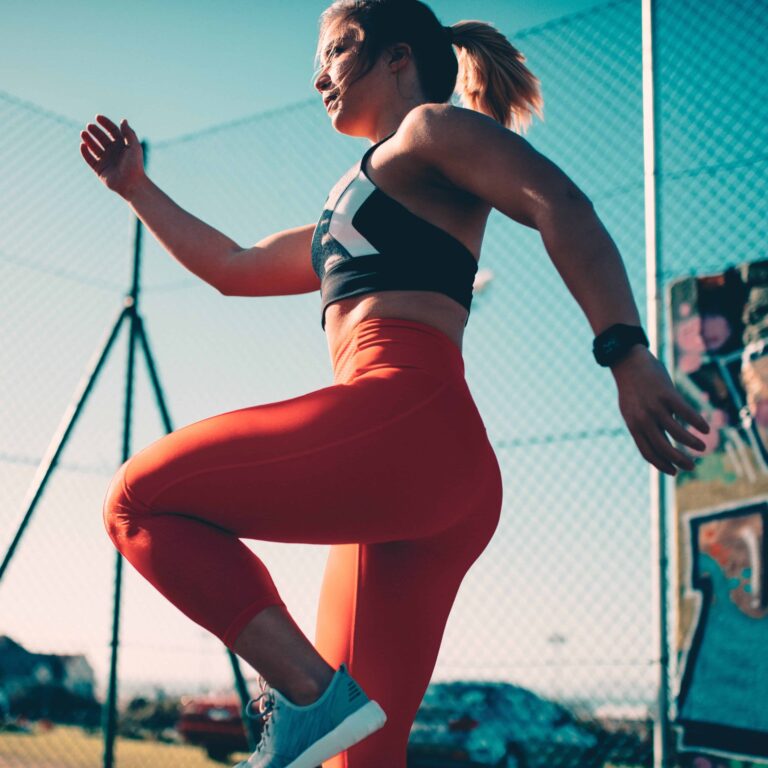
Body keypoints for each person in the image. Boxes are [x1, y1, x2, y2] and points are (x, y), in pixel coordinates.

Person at [81, 1, 711, 766]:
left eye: (335, 52)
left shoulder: (431, 131)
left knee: (137, 500)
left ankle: (309, 696)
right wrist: (135, 189)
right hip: (423, 472)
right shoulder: (348, 203)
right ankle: (323, 706)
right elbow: (232, 267)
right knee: (362, 755)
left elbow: (560, 204)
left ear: (396, 57)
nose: (319, 76)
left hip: (411, 423)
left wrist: (625, 351)